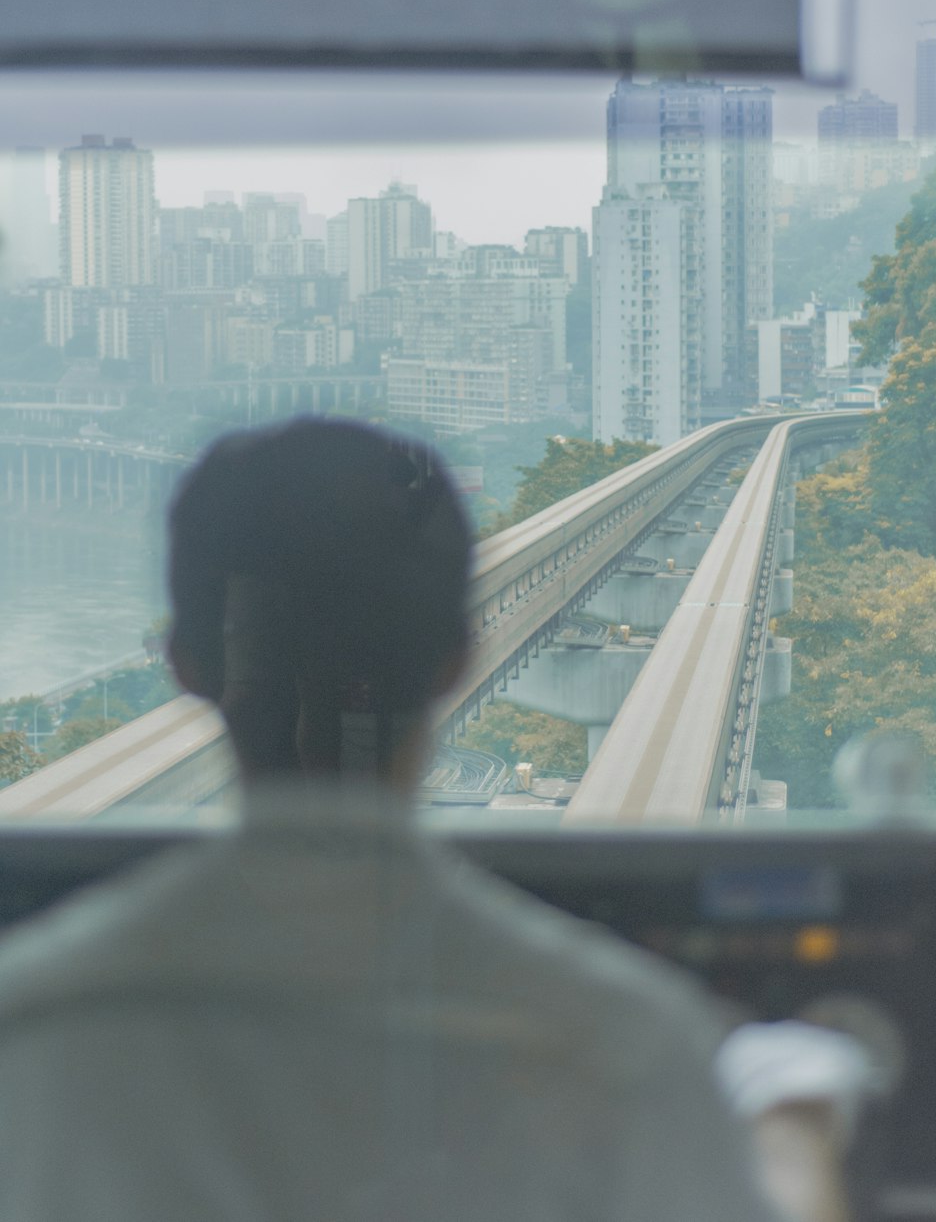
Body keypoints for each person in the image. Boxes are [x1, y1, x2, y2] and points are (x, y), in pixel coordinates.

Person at [0, 418, 778, 1222]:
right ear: (456, 659)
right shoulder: (623, 1047)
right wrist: (797, 1123)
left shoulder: (30, 1024)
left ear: (186, 666)